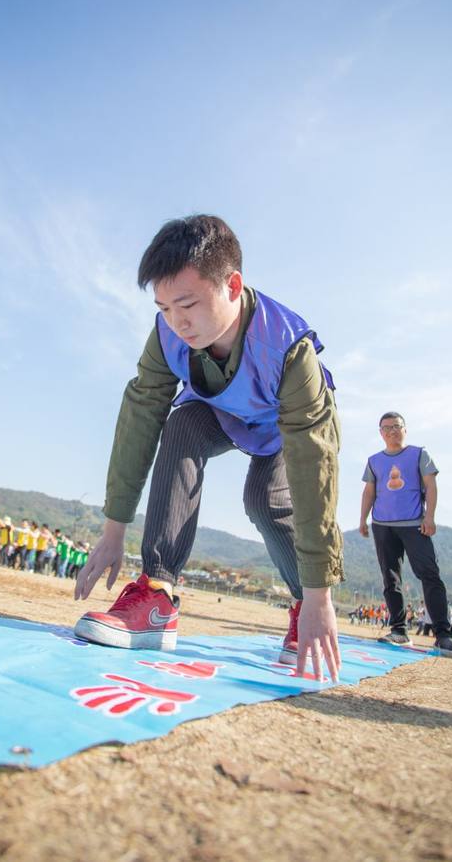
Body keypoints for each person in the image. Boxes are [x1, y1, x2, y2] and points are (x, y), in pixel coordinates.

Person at [74, 214, 343, 681]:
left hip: (285, 429)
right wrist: (114, 529)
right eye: (163, 308)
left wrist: (319, 594)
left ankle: (302, 601)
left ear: (232, 285)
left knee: (265, 499)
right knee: (182, 424)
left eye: (187, 304)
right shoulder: (166, 336)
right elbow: (140, 418)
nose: (178, 322)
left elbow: (314, 466)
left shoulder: (288, 349)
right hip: (223, 415)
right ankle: (157, 594)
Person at [359, 412, 452, 657]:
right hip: (382, 524)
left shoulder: (419, 454)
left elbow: (430, 485)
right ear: (380, 432)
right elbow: (369, 491)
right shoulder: (374, 460)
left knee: (429, 574)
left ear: (405, 429)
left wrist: (429, 517)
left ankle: (443, 635)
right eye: (386, 428)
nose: (392, 431)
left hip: (414, 524)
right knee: (390, 577)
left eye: (396, 427)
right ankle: (398, 631)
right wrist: (363, 519)